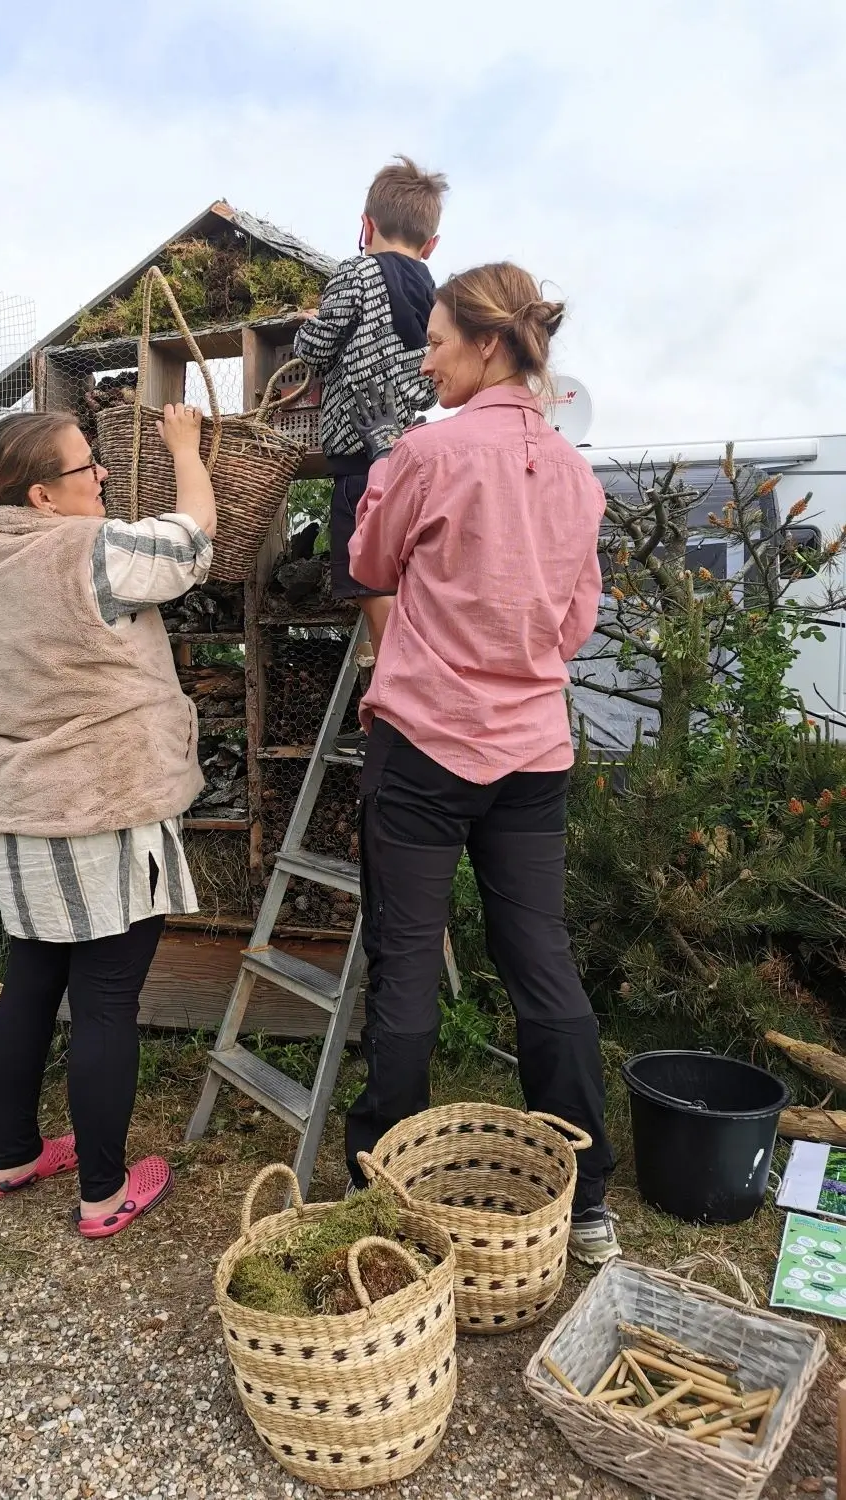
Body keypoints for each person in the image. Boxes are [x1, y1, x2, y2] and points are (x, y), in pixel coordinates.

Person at [342, 262, 620, 1265]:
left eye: (439, 340)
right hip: (535, 750)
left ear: (490, 344)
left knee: (409, 968)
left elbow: (368, 567)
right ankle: (586, 1202)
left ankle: (381, 1191)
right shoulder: (578, 476)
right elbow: (579, 622)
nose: (428, 358)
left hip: (425, 743)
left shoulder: (428, 453)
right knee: (539, 959)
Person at [0, 404, 217, 1239]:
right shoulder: (83, 549)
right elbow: (192, 542)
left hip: (24, 812)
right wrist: (184, 449)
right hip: (105, 809)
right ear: (44, 493)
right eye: (85, 467)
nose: (100, 475)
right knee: (105, 1003)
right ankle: (103, 1194)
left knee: (31, 985)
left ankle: (15, 1155)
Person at [292, 155, 447, 758]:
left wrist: (309, 327)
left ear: (366, 224)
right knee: (403, 572)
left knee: (368, 576)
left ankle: (395, 697)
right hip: (405, 450)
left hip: (358, 450)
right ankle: (407, 687)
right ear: (431, 243)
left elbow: (319, 345)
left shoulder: (355, 276)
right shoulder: (435, 292)